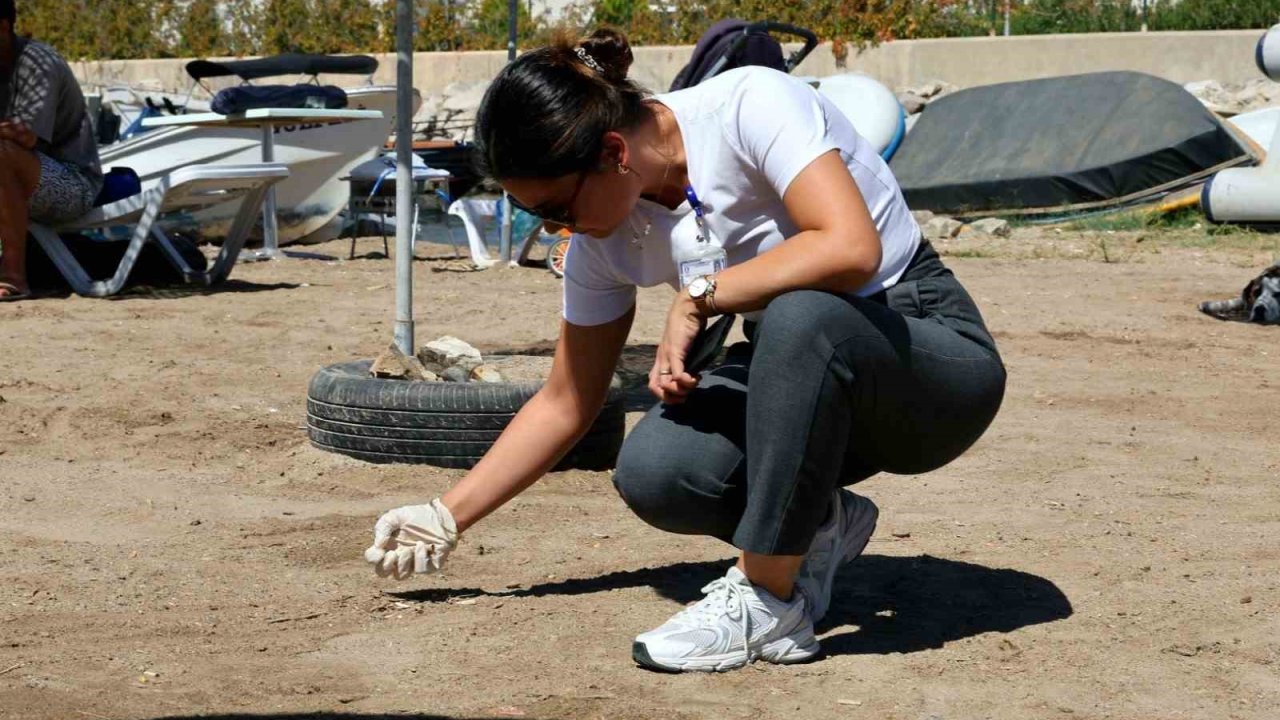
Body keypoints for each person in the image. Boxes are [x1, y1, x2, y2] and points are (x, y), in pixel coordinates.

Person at [364, 28, 1007, 673]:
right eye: (535, 214)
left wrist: (701, 294)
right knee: (661, 471)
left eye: (558, 206)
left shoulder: (748, 106)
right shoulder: (604, 244)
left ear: (613, 150)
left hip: (926, 358)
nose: (557, 229)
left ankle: (767, 600)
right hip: (802, 378)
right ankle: (817, 526)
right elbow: (567, 400)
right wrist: (446, 515)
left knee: (801, 315)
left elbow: (848, 247)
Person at [0, 0, 103, 301]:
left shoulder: (37, 61)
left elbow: (25, 137)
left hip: (73, 183)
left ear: (3, 27)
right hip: (18, 181)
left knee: (3, 152)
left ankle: (13, 277)